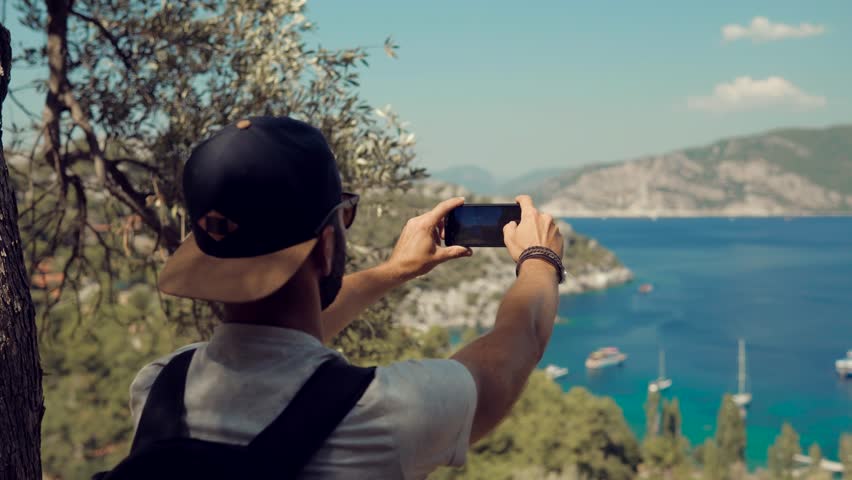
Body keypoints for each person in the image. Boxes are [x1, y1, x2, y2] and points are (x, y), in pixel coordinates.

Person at [131, 116, 565, 479]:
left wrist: (394, 271)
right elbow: (512, 354)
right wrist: (540, 258)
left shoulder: (159, 387)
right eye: (345, 214)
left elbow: (279, 340)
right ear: (324, 245)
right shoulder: (377, 416)